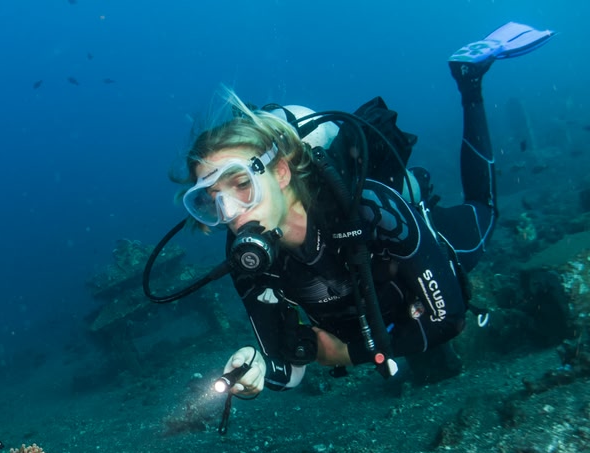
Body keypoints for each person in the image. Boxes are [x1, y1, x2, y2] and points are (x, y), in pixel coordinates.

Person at [175, 22, 554, 396]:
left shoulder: (371, 207)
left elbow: (449, 319)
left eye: (242, 184)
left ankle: (469, 83)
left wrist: (351, 354)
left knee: (483, 211)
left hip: (419, 270)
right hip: (373, 318)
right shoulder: (246, 256)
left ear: (281, 171)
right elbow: (289, 368)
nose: (232, 213)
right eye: (211, 200)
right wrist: (257, 370)